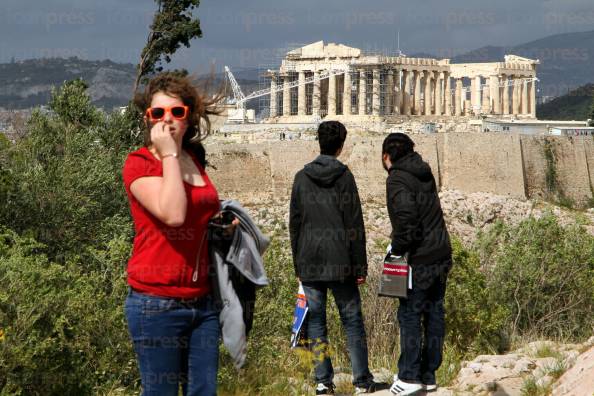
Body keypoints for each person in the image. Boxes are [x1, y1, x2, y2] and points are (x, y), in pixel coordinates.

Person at [122, 73, 234, 396]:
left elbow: (200, 212)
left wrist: (223, 228)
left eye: (176, 113)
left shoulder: (194, 160)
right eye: (158, 114)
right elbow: (172, 213)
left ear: (189, 117)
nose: (167, 120)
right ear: (148, 120)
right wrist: (168, 154)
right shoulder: (139, 164)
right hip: (155, 303)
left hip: (202, 302)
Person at [289, 121, 380, 395]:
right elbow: (355, 223)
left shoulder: (301, 178)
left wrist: (298, 264)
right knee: (352, 321)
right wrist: (360, 265)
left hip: (310, 261)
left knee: (316, 322)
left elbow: (294, 223)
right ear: (341, 145)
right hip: (341, 261)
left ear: (319, 142)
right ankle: (362, 381)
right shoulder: (344, 177)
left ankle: (322, 381)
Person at [381, 133, 452, 395]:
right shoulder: (424, 171)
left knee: (410, 315)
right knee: (434, 313)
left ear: (387, 156)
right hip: (441, 253)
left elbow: (407, 220)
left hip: (419, 258)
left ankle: (409, 376)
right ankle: (428, 374)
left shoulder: (397, 178)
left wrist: (396, 249)